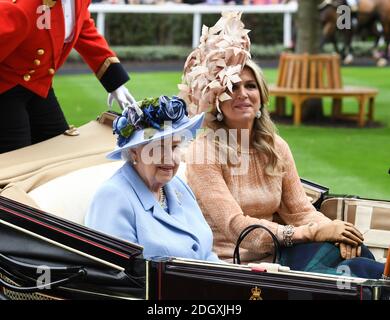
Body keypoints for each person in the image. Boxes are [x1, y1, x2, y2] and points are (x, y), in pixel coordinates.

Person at [181, 12, 385, 278]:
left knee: (358, 254)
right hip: (237, 265)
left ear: (261, 96)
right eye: (232, 88)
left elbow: (300, 211)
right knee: (358, 272)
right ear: (217, 100)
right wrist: (314, 232)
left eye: (250, 86)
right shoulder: (203, 151)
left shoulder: (275, 146)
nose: (242, 94)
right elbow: (239, 229)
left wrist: (337, 232)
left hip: (281, 251)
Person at [85, 95, 220, 262]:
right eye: (159, 147)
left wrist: (240, 274)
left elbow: (206, 254)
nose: (170, 157)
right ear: (134, 151)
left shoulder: (177, 185)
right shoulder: (113, 197)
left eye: (175, 146)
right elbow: (119, 275)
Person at [0, 0, 135, 154]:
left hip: (40, 85)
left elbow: (84, 29)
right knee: (15, 160)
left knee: (59, 151)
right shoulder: (23, 5)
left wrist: (116, 82)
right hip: (5, 88)